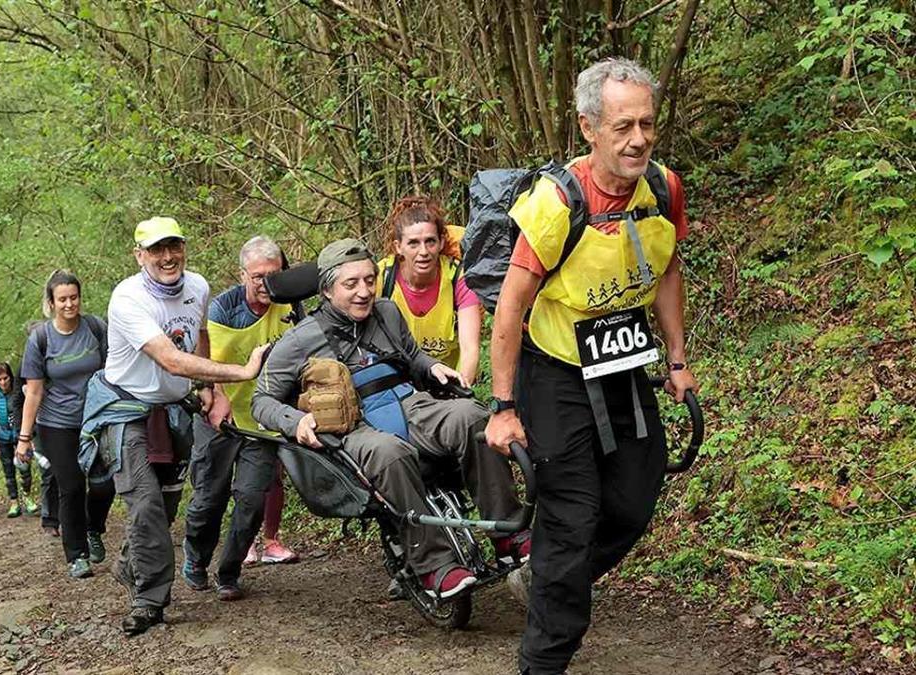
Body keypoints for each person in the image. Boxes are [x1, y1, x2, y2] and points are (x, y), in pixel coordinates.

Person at [484, 58, 699, 675]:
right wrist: (502, 408)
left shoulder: (664, 188)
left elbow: (666, 271)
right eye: (622, 126)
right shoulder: (557, 202)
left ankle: (546, 573)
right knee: (571, 519)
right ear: (588, 128)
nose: (638, 139)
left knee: (633, 502)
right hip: (554, 375)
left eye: (647, 124)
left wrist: (678, 358)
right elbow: (512, 307)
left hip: (624, 365)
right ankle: (543, 661)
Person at [253, 238, 526, 598]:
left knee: (473, 418)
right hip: (355, 426)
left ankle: (509, 534)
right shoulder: (298, 341)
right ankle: (434, 564)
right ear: (326, 290)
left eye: (369, 280)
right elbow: (262, 400)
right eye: (350, 284)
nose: (363, 292)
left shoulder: (387, 313)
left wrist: (432, 367)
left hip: (409, 403)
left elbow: (412, 356)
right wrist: (295, 422)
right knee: (389, 454)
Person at [86, 216, 267, 635]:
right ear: (139, 256)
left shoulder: (198, 286)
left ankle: (133, 563)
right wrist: (237, 373)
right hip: (124, 408)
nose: (167, 257)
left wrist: (208, 386)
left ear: (184, 248)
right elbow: (169, 358)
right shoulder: (127, 299)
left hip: (171, 409)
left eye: (174, 247)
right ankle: (150, 600)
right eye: (156, 250)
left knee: (165, 506)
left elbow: (199, 336)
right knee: (145, 501)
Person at [184, 235, 297, 603]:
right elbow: (205, 359)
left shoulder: (293, 307)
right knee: (209, 497)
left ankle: (229, 572)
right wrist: (213, 395)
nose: (266, 284)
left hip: (263, 421)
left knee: (251, 498)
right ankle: (197, 558)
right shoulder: (222, 308)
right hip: (220, 415)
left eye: (274, 275)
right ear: (243, 275)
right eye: (258, 276)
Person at [17, 270, 116, 579]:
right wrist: (24, 438)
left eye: (74, 297)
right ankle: (77, 555)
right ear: (51, 302)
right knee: (71, 487)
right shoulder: (41, 338)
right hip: (57, 423)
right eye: (62, 299)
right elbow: (34, 391)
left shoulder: (96, 328)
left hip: (96, 418)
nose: (69, 304)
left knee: (106, 482)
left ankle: (93, 528)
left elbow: (115, 369)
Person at [376, 196, 483, 386]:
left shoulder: (457, 276)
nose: (423, 251)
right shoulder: (380, 278)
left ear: (442, 242)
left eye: (430, 241)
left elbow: (470, 349)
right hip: (394, 384)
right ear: (398, 246)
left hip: (447, 383)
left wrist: (461, 391)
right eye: (413, 243)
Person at [0, 362, 38, 518]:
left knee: (24, 467)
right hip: (3, 436)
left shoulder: (18, 389)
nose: (3, 382)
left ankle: (27, 496)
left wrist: (30, 436)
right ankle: (14, 502)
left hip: (21, 434)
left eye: (5, 378)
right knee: (8, 470)